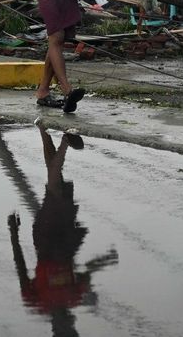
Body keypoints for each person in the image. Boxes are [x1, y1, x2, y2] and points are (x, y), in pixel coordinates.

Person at [8, 120, 118, 336]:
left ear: (55, 328)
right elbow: (87, 271)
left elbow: (20, 266)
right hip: (67, 238)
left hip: (46, 237)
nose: (68, 321)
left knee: (54, 187)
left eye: (64, 327)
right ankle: (43, 129)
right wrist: (106, 260)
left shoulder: (36, 301)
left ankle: (65, 141)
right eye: (71, 325)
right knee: (54, 183)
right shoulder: (74, 297)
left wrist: (13, 233)